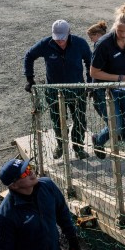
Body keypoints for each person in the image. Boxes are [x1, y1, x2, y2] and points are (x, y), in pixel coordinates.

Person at [24, 19, 92, 160]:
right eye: (57, 39)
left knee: (80, 119)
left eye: (63, 38)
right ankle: (61, 145)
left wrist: (90, 82)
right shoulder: (45, 44)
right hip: (54, 91)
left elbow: (90, 60)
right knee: (58, 120)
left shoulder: (80, 44)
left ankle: (78, 147)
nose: (60, 42)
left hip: (77, 89)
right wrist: (30, 79)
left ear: (69, 32)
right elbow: (29, 56)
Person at [90, 3, 125, 170]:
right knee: (117, 126)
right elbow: (94, 72)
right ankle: (98, 140)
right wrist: (120, 78)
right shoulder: (104, 44)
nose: (124, 35)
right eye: (120, 31)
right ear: (115, 27)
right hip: (105, 90)